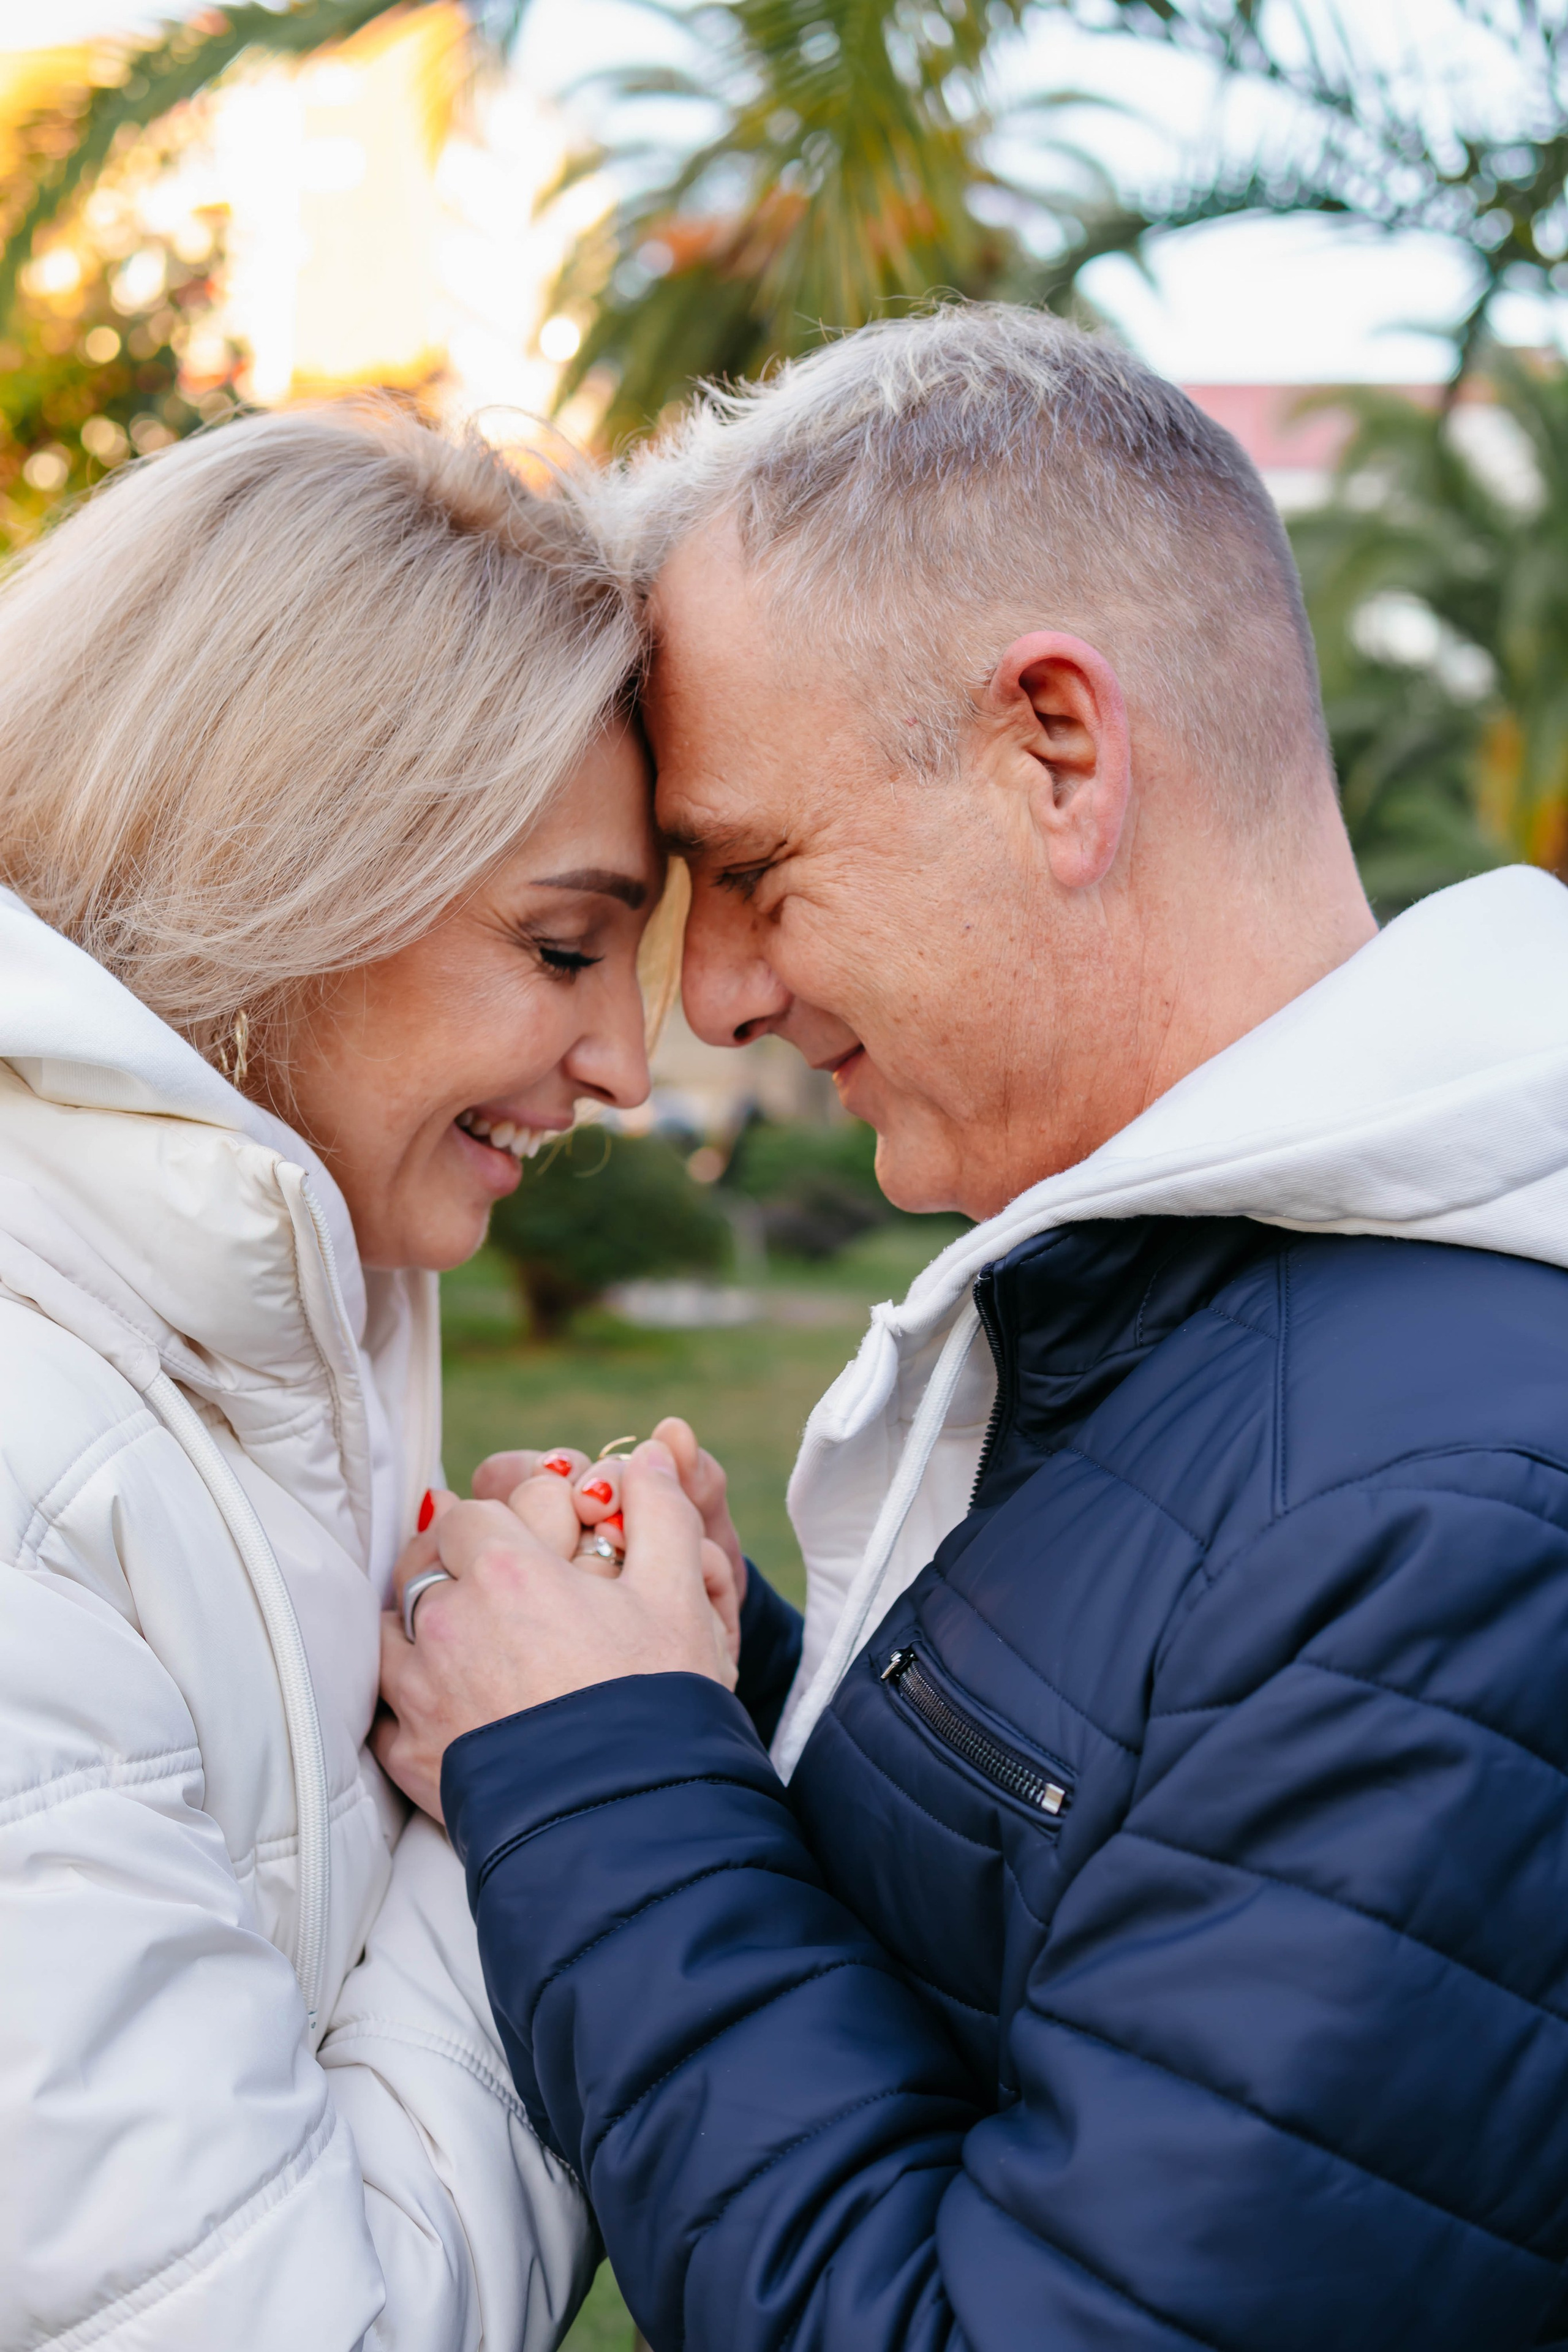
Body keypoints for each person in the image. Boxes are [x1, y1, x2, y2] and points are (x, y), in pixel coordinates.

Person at [378, 306, 1568, 2352]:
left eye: (749, 871)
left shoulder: (1462, 1515)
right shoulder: (1193, 1310)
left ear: (1059, 753)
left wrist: (593, 1771)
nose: (713, 1003)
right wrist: (712, 1671)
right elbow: (1069, 1934)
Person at [0, 401, 671, 2348]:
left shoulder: (286, 1323)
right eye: (564, 947)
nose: (630, 1061)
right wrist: (552, 1780)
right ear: (290, 865)